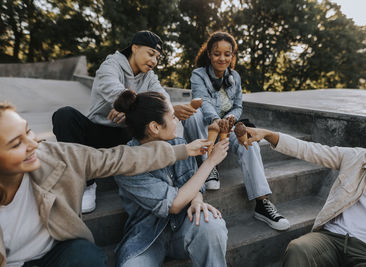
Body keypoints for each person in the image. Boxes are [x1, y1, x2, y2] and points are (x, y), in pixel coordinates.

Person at [0, 102, 208, 267]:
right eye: (16, 143)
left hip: (55, 253)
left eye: (28, 131)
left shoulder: (55, 156)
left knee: (87, 256)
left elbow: (119, 159)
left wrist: (181, 151)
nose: (33, 143)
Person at [52, 30, 197, 213]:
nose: (154, 61)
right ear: (135, 48)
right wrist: (131, 107)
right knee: (64, 115)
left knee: (162, 122)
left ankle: (165, 176)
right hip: (98, 131)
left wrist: (131, 113)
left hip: (127, 135)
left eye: (158, 57)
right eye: (151, 54)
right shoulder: (110, 66)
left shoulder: (149, 76)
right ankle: (86, 185)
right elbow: (113, 89)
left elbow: (163, 99)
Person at [244, 122, 366, 266]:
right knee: (299, 249)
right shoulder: (357, 158)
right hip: (332, 238)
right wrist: (268, 134)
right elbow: (309, 150)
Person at [183, 31, 290, 231]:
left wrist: (230, 118)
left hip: (227, 128)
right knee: (193, 115)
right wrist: (215, 120)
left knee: (250, 144)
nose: (222, 58)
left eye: (227, 54)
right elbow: (202, 100)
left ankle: (262, 202)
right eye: (217, 53)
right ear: (209, 54)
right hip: (207, 128)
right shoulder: (199, 74)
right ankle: (208, 164)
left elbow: (238, 105)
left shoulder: (235, 77)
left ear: (232, 56)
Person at [112, 90, 229, 267]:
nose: (177, 121)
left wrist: (197, 200)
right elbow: (173, 205)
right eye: (173, 117)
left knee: (211, 224)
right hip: (147, 239)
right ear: (155, 127)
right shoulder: (127, 164)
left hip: (183, 226)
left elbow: (194, 185)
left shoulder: (180, 144)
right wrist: (210, 162)